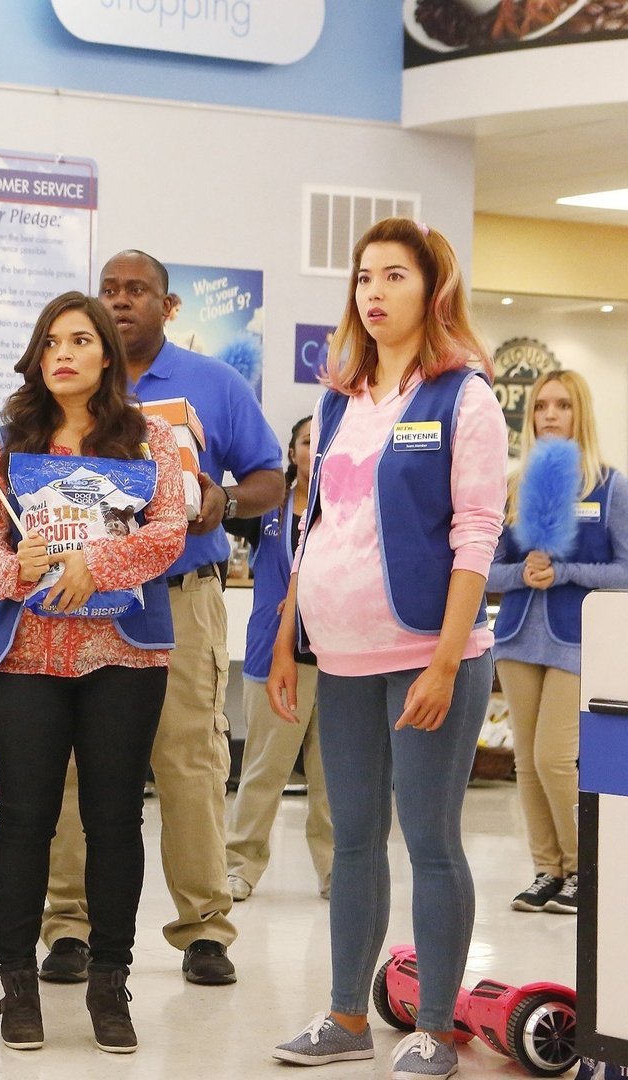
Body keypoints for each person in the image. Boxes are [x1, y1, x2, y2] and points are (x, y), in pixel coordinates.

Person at [268, 217, 506, 1080]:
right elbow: (316, 524)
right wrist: (289, 636)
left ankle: (436, 1029)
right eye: (364, 277)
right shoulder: (339, 398)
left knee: (431, 837)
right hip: (342, 653)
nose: (373, 291)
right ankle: (344, 1017)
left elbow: (478, 533)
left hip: (427, 652)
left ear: (431, 289)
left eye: (394, 276)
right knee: (354, 840)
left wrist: (446, 659)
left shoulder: (463, 396)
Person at [39, 249, 285, 988]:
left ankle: (205, 928)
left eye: (137, 291)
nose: (120, 302)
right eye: (109, 290)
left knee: (191, 762)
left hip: (180, 598)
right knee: (74, 766)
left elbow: (273, 477)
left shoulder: (215, 384)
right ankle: (68, 926)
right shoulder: (69, 382)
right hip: (84, 602)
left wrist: (227, 502)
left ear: (167, 307)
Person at [0, 292, 187, 1054]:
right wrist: (13, 567)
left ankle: (109, 981)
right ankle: (16, 985)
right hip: (25, 653)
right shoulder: (5, 444)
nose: (64, 353)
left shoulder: (151, 437)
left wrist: (95, 564)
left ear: (106, 356)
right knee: (24, 819)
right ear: (38, 354)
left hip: (122, 653)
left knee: (115, 819)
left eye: (81, 340)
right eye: (52, 341)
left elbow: (168, 533)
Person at [490, 370, 627, 915]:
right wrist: (523, 573)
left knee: (554, 758)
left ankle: (583, 870)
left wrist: (566, 571)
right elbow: (485, 571)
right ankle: (546, 869)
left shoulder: (610, 485)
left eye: (562, 405)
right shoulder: (513, 486)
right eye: (542, 406)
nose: (549, 414)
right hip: (519, 636)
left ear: (580, 413)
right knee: (525, 760)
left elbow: (625, 569)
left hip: (577, 639)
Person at [224, 417, 333, 903]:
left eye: (325, 439)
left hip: (336, 658)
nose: (317, 448)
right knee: (263, 770)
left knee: (334, 776)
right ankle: (240, 866)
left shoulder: (351, 507)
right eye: (308, 441)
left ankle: (336, 871)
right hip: (274, 654)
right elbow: (217, 509)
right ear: (292, 452)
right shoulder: (269, 507)